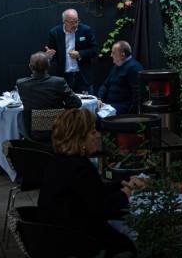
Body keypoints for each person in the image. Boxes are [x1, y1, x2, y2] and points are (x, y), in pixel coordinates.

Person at [37, 108, 145, 257]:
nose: (98, 136)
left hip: (56, 235)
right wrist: (127, 192)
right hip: (78, 241)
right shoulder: (80, 168)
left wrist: (124, 183)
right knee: (134, 242)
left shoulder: (58, 161)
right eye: (93, 132)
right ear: (79, 139)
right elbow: (103, 208)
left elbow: (93, 192)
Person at [16, 52, 82, 141]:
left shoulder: (21, 84)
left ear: (30, 67)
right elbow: (77, 103)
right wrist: (61, 112)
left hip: (34, 134)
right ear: (48, 66)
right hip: (59, 130)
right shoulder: (58, 82)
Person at [45, 9, 98, 93]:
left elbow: (94, 50)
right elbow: (52, 53)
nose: (75, 25)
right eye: (72, 22)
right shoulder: (55, 32)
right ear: (64, 21)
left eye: (77, 21)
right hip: (63, 77)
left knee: (86, 104)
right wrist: (48, 56)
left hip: (82, 76)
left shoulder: (85, 30)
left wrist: (80, 54)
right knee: (64, 105)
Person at [97, 41, 143, 115]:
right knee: (88, 113)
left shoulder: (134, 68)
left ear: (122, 55)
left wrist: (131, 114)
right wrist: (99, 98)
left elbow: (138, 94)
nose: (111, 55)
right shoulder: (116, 66)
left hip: (122, 106)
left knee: (96, 118)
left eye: (113, 52)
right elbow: (105, 85)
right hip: (109, 105)